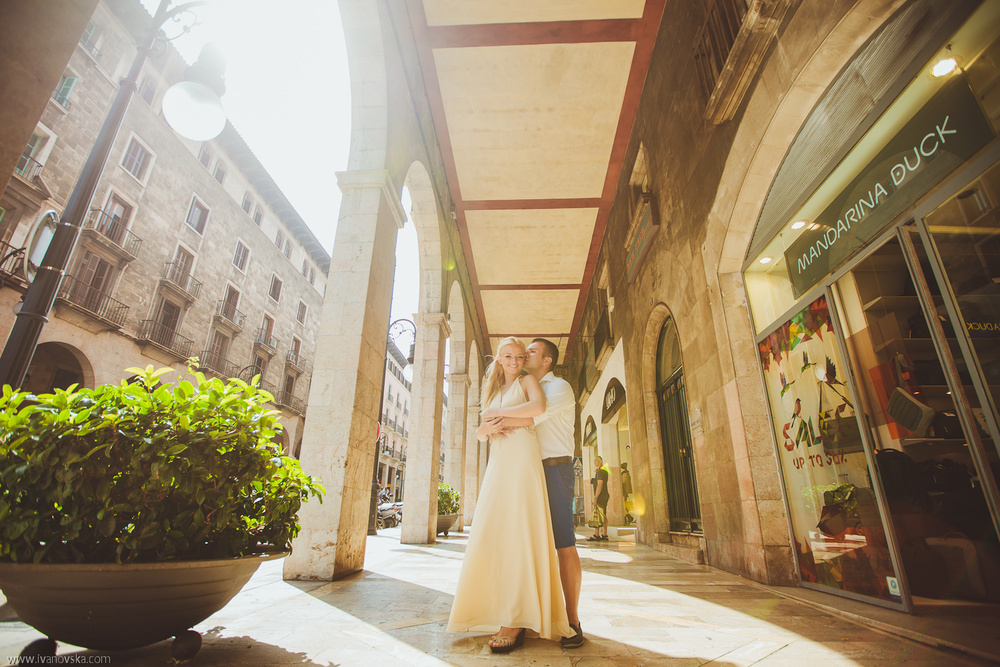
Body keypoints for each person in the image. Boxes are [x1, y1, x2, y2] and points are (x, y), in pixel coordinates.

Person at [447, 337, 571, 653]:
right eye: (510, 356)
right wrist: (484, 428)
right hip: (498, 463)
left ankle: (517, 616)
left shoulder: (530, 381)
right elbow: (480, 430)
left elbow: (538, 409)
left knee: (520, 531)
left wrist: (496, 418)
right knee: (493, 531)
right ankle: (495, 606)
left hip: (522, 459)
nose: (516, 360)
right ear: (499, 359)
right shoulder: (492, 388)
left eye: (521, 355)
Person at [499, 338, 585, 648]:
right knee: (525, 544)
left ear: (547, 360)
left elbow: (531, 417)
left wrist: (491, 420)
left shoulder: (558, 387)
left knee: (563, 543)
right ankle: (522, 618)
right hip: (528, 472)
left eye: (532, 351)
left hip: (554, 470)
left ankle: (572, 620)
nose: (525, 355)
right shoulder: (524, 385)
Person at [589, 456, 609, 541]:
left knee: (598, 514)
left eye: (597, 461)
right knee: (603, 515)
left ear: (601, 461)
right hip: (604, 495)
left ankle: (597, 535)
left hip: (601, 496)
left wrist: (595, 497)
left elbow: (600, 485)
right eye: (594, 461)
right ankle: (604, 534)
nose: (595, 463)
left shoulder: (601, 472)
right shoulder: (601, 471)